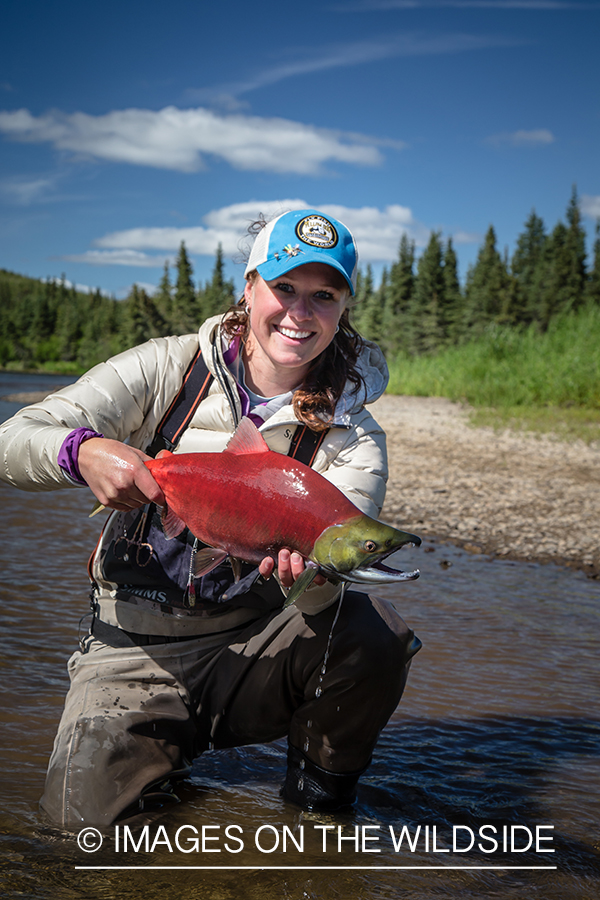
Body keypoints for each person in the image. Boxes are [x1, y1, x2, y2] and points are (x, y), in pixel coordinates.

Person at [0, 208, 420, 828]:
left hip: (252, 650)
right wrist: (81, 451)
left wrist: (308, 581)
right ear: (248, 288)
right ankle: (157, 755)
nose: (299, 313)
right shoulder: (163, 369)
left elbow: (331, 580)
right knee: (75, 842)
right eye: (283, 289)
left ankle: (317, 814)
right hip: (130, 651)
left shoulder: (353, 435)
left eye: (322, 296)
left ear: (342, 309)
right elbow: (14, 437)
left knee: (371, 631)